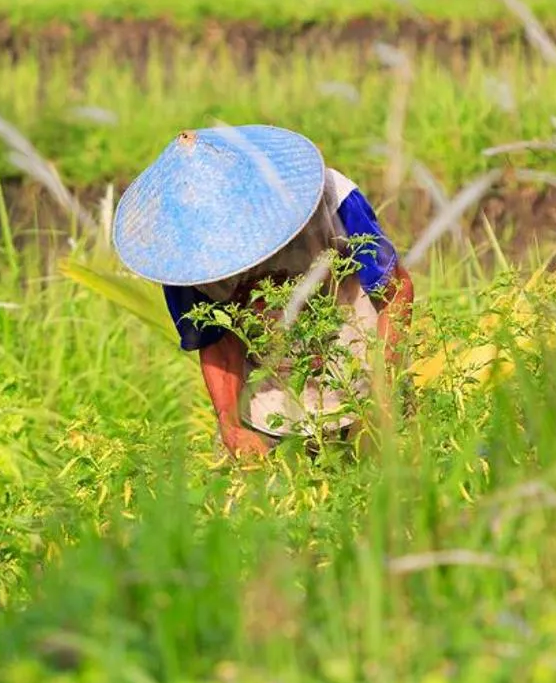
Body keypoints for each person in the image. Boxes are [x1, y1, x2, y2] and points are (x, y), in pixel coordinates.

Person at [111, 125, 414, 458]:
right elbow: (217, 343)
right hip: (268, 416)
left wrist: (383, 396)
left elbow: (395, 292)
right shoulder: (183, 259)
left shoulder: (332, 197)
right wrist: (230, 426)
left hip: (361, 392)